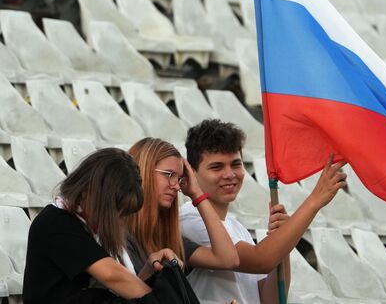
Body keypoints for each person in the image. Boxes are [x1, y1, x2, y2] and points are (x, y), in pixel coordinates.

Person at [180, 119, 347, 304]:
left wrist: (282, 242)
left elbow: (270, 299)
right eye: (216, 167)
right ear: (191, 172)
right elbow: (261, 260)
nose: (229, 174)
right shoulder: (190, 220)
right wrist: (315, 200)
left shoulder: (237, 227)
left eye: (235, 164)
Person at [23, 148, 183, 304]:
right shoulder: (57, 223)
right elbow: (113, 277)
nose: (119, 220)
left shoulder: (83, 222)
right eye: (116, 211)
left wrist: (149, 269)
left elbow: (122, 288)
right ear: (98, 196)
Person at [126, 137, 239, 274]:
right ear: (142, 171)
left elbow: (228, 260)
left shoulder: (165, 235)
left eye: (179, 178)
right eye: (168, 174)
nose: (176, 186)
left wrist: (196, 193)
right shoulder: (118, 232)